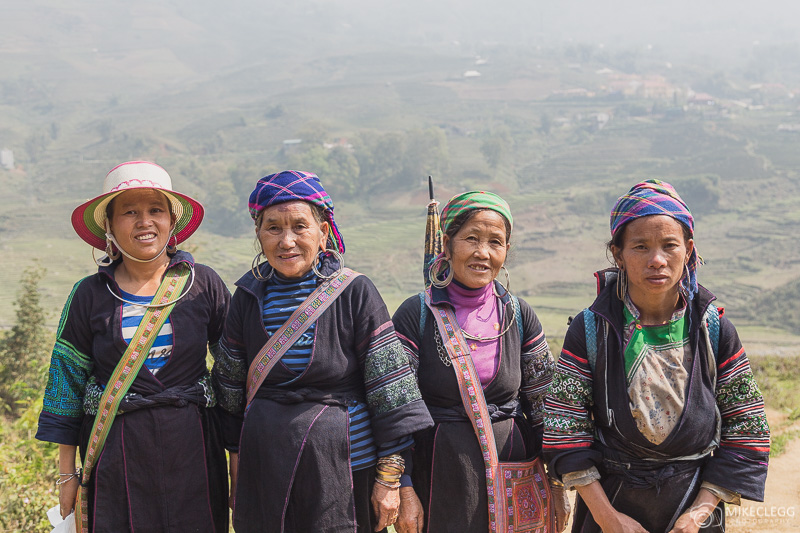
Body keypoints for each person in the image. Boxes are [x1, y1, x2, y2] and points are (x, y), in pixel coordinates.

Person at [543, 180, 770, 533]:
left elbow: (747, 427)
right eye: (640, 247)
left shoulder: (714, 328)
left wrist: (698, 514)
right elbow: (565, 431)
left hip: (693, 507)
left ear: (689, 249)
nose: (657, 260)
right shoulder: (592, 330)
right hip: (611, 505)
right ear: (618, 254)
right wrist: (608, 519)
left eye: (669, 246)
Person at [212, 170, 433, 533]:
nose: (287, 241)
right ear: (258, 234)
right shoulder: (247, 297)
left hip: (347, 468)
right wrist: (238, 464)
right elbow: (230, 392)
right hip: (265, 468)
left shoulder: (354, 292)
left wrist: (392, 479)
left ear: (323, 231)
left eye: (300, 226)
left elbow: (392, 392)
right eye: (273, 228)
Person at [36, 161, 230, 532]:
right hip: (116, 451)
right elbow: (66, 387)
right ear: (109, 225)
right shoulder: (89, 295)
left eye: (155, 210)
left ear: (172, 222)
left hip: (193, 449)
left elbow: (235, 374)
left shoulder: (202, 285)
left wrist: (237, 459)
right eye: (129, 212)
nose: (144, 221)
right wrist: (66, 477)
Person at [392, 191, 570, 533]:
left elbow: (546, 407)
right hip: (441, 476)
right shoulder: (416, 315)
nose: (482, 253)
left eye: (495, 242)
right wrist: (404, 486)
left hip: (515, 471)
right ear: (447, 243)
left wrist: (558, 484)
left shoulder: (518, 315)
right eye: (471, 239)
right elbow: (396, 411)